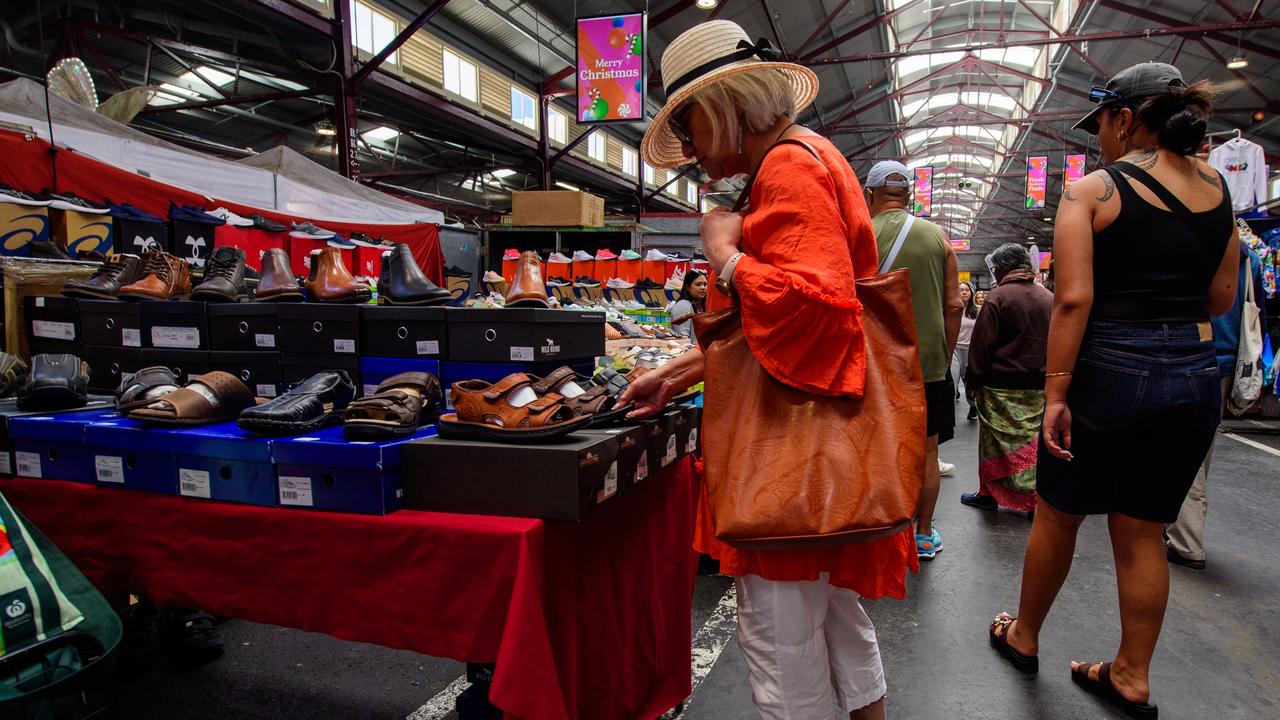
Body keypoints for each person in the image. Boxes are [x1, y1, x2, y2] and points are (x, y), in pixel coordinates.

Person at [623, 20, 917, 720]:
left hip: (787, 459)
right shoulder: (811, 156)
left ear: (722, 103)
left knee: (784, 648)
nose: (689, 149)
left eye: (689, 125)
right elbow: (779, 326)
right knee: (842, 631)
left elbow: (820, 309)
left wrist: (726, 255)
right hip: (823, 454)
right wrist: (684, 370)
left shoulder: (786, 167)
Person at [988, 63, 1238, 718]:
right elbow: (1220, 296)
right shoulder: (1217, 190)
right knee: (1142, 530)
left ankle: (1025, 634)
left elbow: (1073, 301)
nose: (1097, 135)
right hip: (1194, 371)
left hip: (1109, 372)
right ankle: (1130, 673)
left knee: (1058, 513)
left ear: (1124, 119)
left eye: (1099, 121)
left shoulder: (1093, 191)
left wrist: (1057, 395)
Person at [865, 160, 964, 560]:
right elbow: (954, 305)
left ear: (871, 194)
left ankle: (873, 531)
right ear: (908, 194)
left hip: (871, 364)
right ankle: (922, 535)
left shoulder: (859, 235)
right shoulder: (938, 237)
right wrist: (942, 354)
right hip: (926, 367)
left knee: (870, 446)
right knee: (926, 453)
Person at [1166, 242, 1264, 569]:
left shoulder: (1194, 244)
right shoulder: (1248, 258)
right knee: (1200, 446)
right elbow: (1256, 304)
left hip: (1191, 355)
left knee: (1183, 450)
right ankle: (1182, 529)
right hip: (1227, 359)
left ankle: (1186, 541)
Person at [960, 244, 1052, 516]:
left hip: (1000, 386)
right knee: (1031, 443)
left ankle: (989, 494)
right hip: (1039, 387)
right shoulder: (1048, 297)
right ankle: (1036, 499)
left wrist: (972, 382)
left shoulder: (999, 297)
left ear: (1001, 269)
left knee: (992, 443)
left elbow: (981, 346)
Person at [953, 282, 979, 421]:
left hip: (970, 350)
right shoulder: (951, 309)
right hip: (954, 349)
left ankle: (972, 405)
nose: (964, 292)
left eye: (966, 290)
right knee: (953, 377)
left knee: (968, 381)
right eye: (961, 290)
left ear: (971, 293)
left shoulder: (977, 311)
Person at [669, 269, 708, 342]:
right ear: (687, 287)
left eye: (705, 284)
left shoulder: (701, 305)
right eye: (698, 284)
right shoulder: (683, 305)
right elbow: (683, 339)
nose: (703, 288)